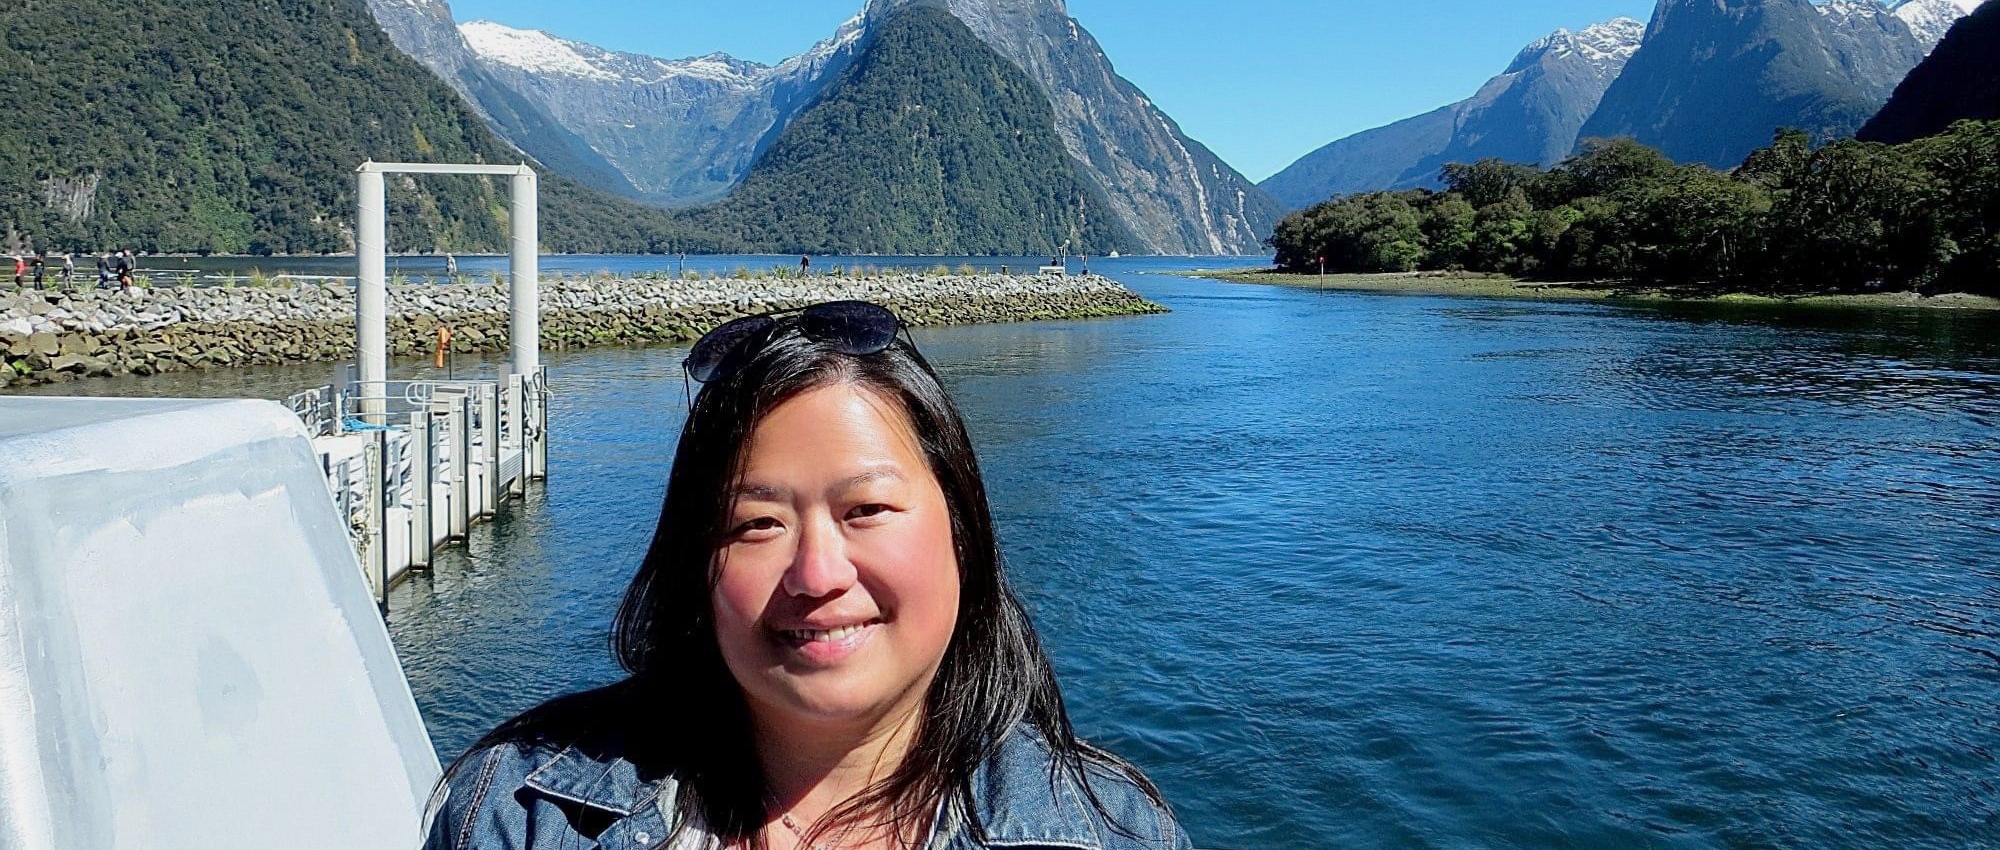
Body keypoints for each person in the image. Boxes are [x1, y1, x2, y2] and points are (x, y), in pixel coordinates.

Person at [423, 301, 1187, 850]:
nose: (818, 573)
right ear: (695, 561)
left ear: (963, 531)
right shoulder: (521, 815)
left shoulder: (1111, 834)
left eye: (868, 509)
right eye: (758, 524)